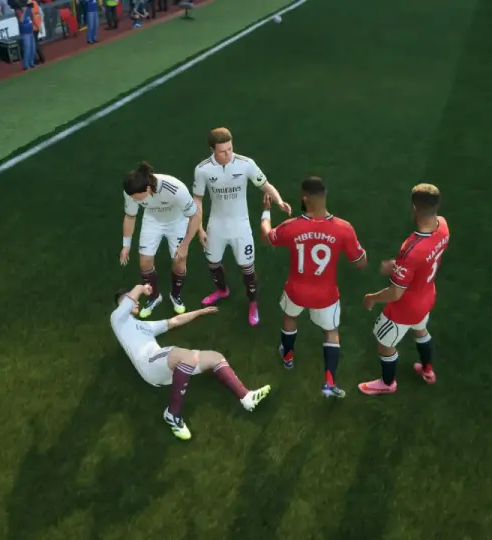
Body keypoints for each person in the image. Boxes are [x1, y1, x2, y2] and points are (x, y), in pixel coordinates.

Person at [110, 282, 272, 440]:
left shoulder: (145, 326)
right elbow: (133, 296)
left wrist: (200, 312)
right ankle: (173, 414)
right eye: (129, 298)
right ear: (120, 305)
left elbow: (173, 322)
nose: (136, 301)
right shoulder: (117, 319)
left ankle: (246, 397)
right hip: (149, 363)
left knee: (215, 358)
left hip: (163, 368)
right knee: (184, 356)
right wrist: (141, 288)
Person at [260, 177, 367, 398]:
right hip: (326, 295)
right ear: (325, 196)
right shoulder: (344, 228)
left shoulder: (292, 227)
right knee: (331, 332)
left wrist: (266, 212)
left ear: (304, 198)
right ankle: (329, 382)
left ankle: (287, 356)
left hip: (296, 290)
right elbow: (360, 262)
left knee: (290, 317)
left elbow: (267, 238)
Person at [192, 127, 292, 326]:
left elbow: (264, 185)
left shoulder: (246, 164)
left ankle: (252, 303)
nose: (228, 154)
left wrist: (279, 201)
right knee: (213, 262)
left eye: (230, 149)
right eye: (222, 151)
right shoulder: (203, 170)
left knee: (247, 267)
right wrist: (199, 228)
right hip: (216, 225)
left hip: (240, 225)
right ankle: (222, 290)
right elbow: (198, 200)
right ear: (212, 149)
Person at [359, 184, 449, 395]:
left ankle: (388, 384)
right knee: (421, 330)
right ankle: (427, 370)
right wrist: (398, 266)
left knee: (384, 343)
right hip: (427, 295)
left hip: (405, 308)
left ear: (414, 208)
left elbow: (395, 293)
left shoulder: (412, 248)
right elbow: (424, 262)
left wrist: (372, 297)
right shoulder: (443, 226)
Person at [121, 161, 201, 317]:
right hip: (152, 220)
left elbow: (195, 216)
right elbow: (130, 216)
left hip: (177, 221)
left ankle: (175, 295)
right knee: (144, 262)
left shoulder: (175, 189)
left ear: (148, 189)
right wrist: (126, 245)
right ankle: (154, 296)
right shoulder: (131, 191)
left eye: (138, 199)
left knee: (179, 261)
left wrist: (184, 245)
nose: (135, 201)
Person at [15, 0, 35, 70]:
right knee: (27, 49)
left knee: (32, 48)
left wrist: (34, 24)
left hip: (30, 31)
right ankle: (26, 65)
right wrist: (24, 11)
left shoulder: (28, 8)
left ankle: (31, 63)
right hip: (24, 32)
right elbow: (21, 20)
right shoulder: (18, 11)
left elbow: (32, 17)